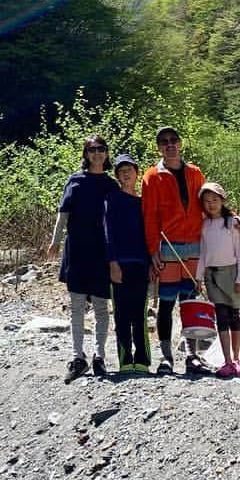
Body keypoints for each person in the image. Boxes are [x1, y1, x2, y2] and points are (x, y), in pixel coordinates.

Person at [47, 135, 116, 383]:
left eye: (101, 149)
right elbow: (62, 213)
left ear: (107, 154)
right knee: (76, 305)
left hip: (101, 252)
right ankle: (78, 358)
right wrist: (55, 241)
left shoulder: (111, 184)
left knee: (100, 305)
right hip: (76, 250)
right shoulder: (75, 180)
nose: (97, 153)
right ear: (86, 154)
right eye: (92, 150)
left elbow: (117, 221)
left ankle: (99, 356)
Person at [141, 125, 207, 375]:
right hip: (167, 247)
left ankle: (192, 355)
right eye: (163, 141)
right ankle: (167, 357)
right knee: (166, 303)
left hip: (193, 245)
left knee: (189, 302)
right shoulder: (151, 176)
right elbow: (149, 216)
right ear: (158, 147)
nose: (169, 145)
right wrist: (152, 250)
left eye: (173, 140)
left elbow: (208, 203)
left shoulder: (195, 173)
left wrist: (230, 217)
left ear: (180, 144)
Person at [104, 152, 151, 373]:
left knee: (139, 314)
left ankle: (142, 359)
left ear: (136, 173)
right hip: (119, 265)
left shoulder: (144, 203)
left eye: (129, 169)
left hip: (141, 264)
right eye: (121, 170)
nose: (125, 173)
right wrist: (112, 262)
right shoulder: (111, 201)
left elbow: (150, 235)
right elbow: (107, 234)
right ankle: (125, 359)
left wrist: (152, 263)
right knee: (121, 314)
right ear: (117, 175)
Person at [197, 180, 240, 378]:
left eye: (215, 199)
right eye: (207, 200)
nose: (211, 204)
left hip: (231, 273)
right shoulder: (204, 224)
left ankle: (237, 359)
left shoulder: (232, 223)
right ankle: (226, 360)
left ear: (222, 200)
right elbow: (203, 253)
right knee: (221, 316)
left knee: (234, 316)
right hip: (212, 275)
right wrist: (198, 277)